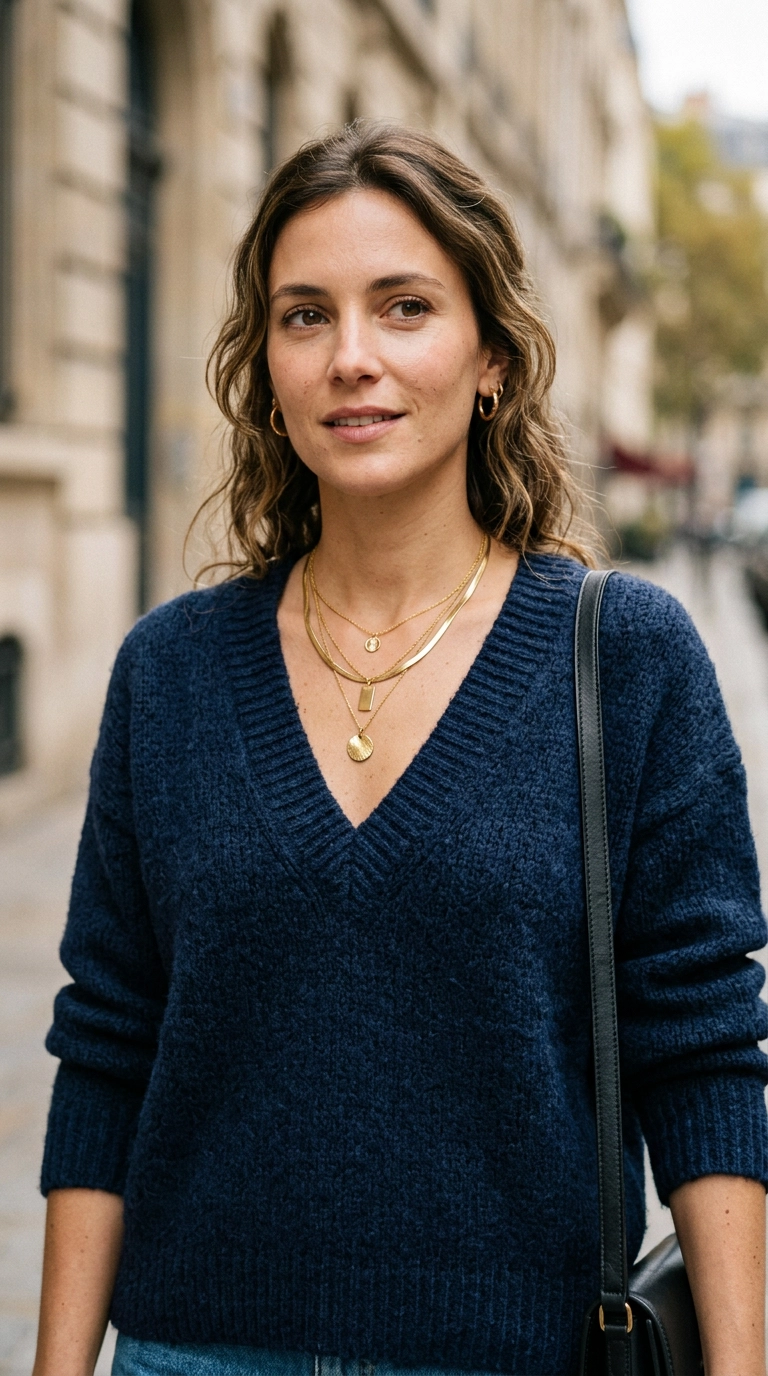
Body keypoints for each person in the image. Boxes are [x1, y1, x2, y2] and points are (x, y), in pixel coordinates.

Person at [33, 123, 767, 1376]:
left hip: (523, 1354)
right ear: (266, 363)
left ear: (491, 356)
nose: (352, 357)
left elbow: (700, 1050)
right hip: (192, 1353)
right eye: (305, 315)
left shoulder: (627, 658)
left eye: (405, 306)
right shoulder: (171, 673)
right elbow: (109, 1047)